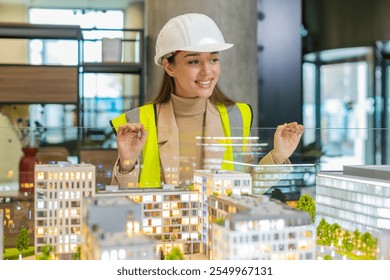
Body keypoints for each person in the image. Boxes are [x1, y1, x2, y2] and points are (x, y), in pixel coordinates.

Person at [110, 13, 304, 189]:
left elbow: (248, 188)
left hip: (220, 225)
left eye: (213, 59)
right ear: (169, 67)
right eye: (194, 61)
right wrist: (127, 165)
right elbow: (122, 202)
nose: (207, 71)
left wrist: (278, 156)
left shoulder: (236, 116)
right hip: (161, 226)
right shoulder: (137, 121)